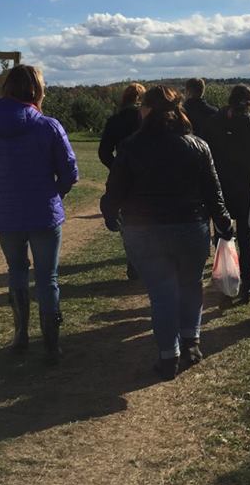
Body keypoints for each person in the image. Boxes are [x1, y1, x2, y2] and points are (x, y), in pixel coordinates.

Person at [103, 86, 233, 380]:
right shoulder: (198, 145)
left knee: (162, 294)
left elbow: (116, 189)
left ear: (145, 110)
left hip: (144, 229)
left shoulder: (131, 146)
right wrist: (223, 222)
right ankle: (191, 341)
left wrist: (110, 214)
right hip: (190, 225)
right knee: (190, 285)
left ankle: (168, 355)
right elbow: (213, 191)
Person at [0, 65, 78, 365]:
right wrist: (56, 192)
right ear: (37, 90)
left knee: (16, 271)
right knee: (47, 277)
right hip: (44, 211)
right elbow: (70, 171)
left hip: (8, 213)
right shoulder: (49, 126)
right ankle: (51, 344)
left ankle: (20, 334)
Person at [204, 84, 250, 304]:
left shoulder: (213, 123)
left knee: (222, 234)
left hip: (218, 185)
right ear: (249, 103)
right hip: (243, 187)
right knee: (245, 237)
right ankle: (246, 287)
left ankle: (225, 282)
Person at [99, 82, 145, 280]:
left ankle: (133, 263)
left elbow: (103, 151)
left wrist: (116, 166)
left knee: (128, 219)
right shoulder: (145, 118)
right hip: (145, 173)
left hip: (123, 174)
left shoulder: (115, 120)